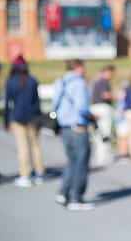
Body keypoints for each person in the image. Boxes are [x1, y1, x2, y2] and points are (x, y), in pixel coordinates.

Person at [53, 59, 94, 211]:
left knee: (71, 161)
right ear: (78, 67)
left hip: (64, 127)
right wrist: (92, 116)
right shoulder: (79, 83)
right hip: (78, 127)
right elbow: (82, 107)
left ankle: (63, 192)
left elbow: (55, 104)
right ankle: (76, 197)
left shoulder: (60, 82)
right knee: (81, 162)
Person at [4, 55, 45, 187]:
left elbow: (7, 104)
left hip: (18, 117)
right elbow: (37, 102)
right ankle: (39, 173)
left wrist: (6, 121)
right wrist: (40, 118)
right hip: (32, 117)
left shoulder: (10, 82)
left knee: (23, 147)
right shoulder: (32, 81)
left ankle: (25, 174)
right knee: (35, 145)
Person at [89, 64, 115, 166]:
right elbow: (105, 95)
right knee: (106, 132)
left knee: (98, 133)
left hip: (95, 107)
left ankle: (100, 156)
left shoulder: (96, 81)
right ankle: (104, 157)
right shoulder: (104, 81)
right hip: (103, 108)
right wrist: (116, 97)